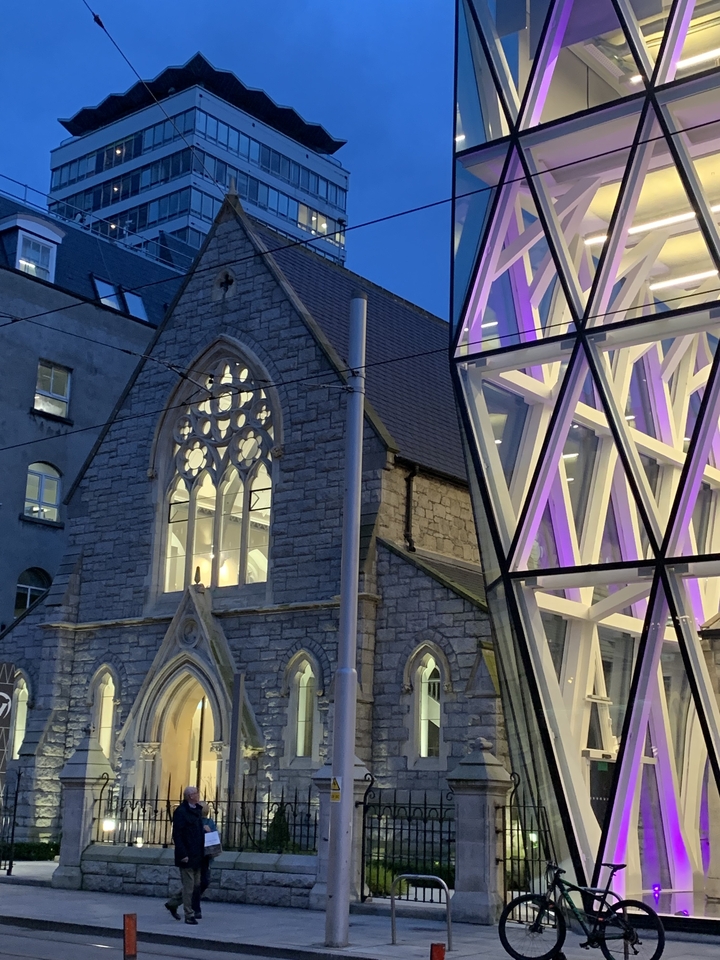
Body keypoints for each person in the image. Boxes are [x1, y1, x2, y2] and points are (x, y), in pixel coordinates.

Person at [165, 785, 205, 924]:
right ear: (190, 796)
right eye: (196, 793)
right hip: (187, 854)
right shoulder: (181, 812)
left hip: (198, 853)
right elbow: (177, 834)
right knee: (189, 887)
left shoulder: (197, 810)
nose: (198, 795)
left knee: (196, 885)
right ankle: (189, 914)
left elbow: (198, 831)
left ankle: (173, 903)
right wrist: (183, 853)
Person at [191, 801, 217, 919]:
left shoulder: (209, 822)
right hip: (195, 855)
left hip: (205, 856)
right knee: (196, 883)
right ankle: (196, 908)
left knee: (204, 882)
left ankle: (176, 902)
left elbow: (214, 837)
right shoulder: (193, 821)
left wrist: (209, 831)